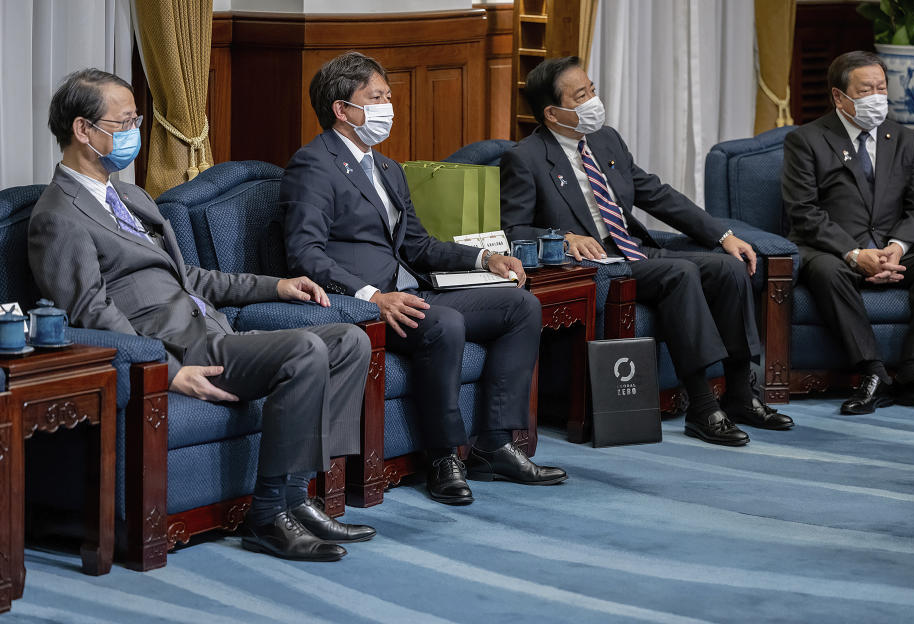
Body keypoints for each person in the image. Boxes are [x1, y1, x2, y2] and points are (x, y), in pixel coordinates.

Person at [29, 68, 376, 562]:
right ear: (84, 130)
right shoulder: (56, 217)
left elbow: (188, 277)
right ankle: (267, 516)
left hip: (214, 329)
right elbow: (88, 313)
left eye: (136, 120)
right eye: (123, 123)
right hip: (179, 348)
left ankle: (299, 496)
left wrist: (275, 284)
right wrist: (167, 372)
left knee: (349, 339)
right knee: (304, 349)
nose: (134, 133)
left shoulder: (130, 196)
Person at [280, 52, 566, 505]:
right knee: (444, 323)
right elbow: (304, 253)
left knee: (520, 305)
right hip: (366, 305)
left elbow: (418, 245)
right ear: (342, 109)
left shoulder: (389, 168)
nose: (387, 107)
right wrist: (372, 296)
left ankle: (494, 442)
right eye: (375, 98)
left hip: (415, 292)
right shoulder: (313, 165)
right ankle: (442, 457)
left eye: (388, 97)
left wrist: (484, 260)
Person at [500, 57, 794, 447]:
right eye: (581, 95)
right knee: (680, 274)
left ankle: (741, 393)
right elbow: (512, 229)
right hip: (597, 265)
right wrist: (563, 237)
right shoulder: (526, 158)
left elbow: (657, 194)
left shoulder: (606, 140)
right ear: (553, 113)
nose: (593, 101)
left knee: (728, 268)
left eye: (592, 90)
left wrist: (722, 234)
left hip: (633, 250)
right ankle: (703, 407)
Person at [781, 51, 914, 416]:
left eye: (882, 88)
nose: (877, 97)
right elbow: (804, 213)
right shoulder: (807, 140)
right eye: (866, 90)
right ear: (839, 97)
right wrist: (854, 253)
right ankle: (872, 373)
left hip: (894, 248)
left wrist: (896, 247)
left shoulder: (906, 139)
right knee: (826, 271)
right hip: (833, 250)